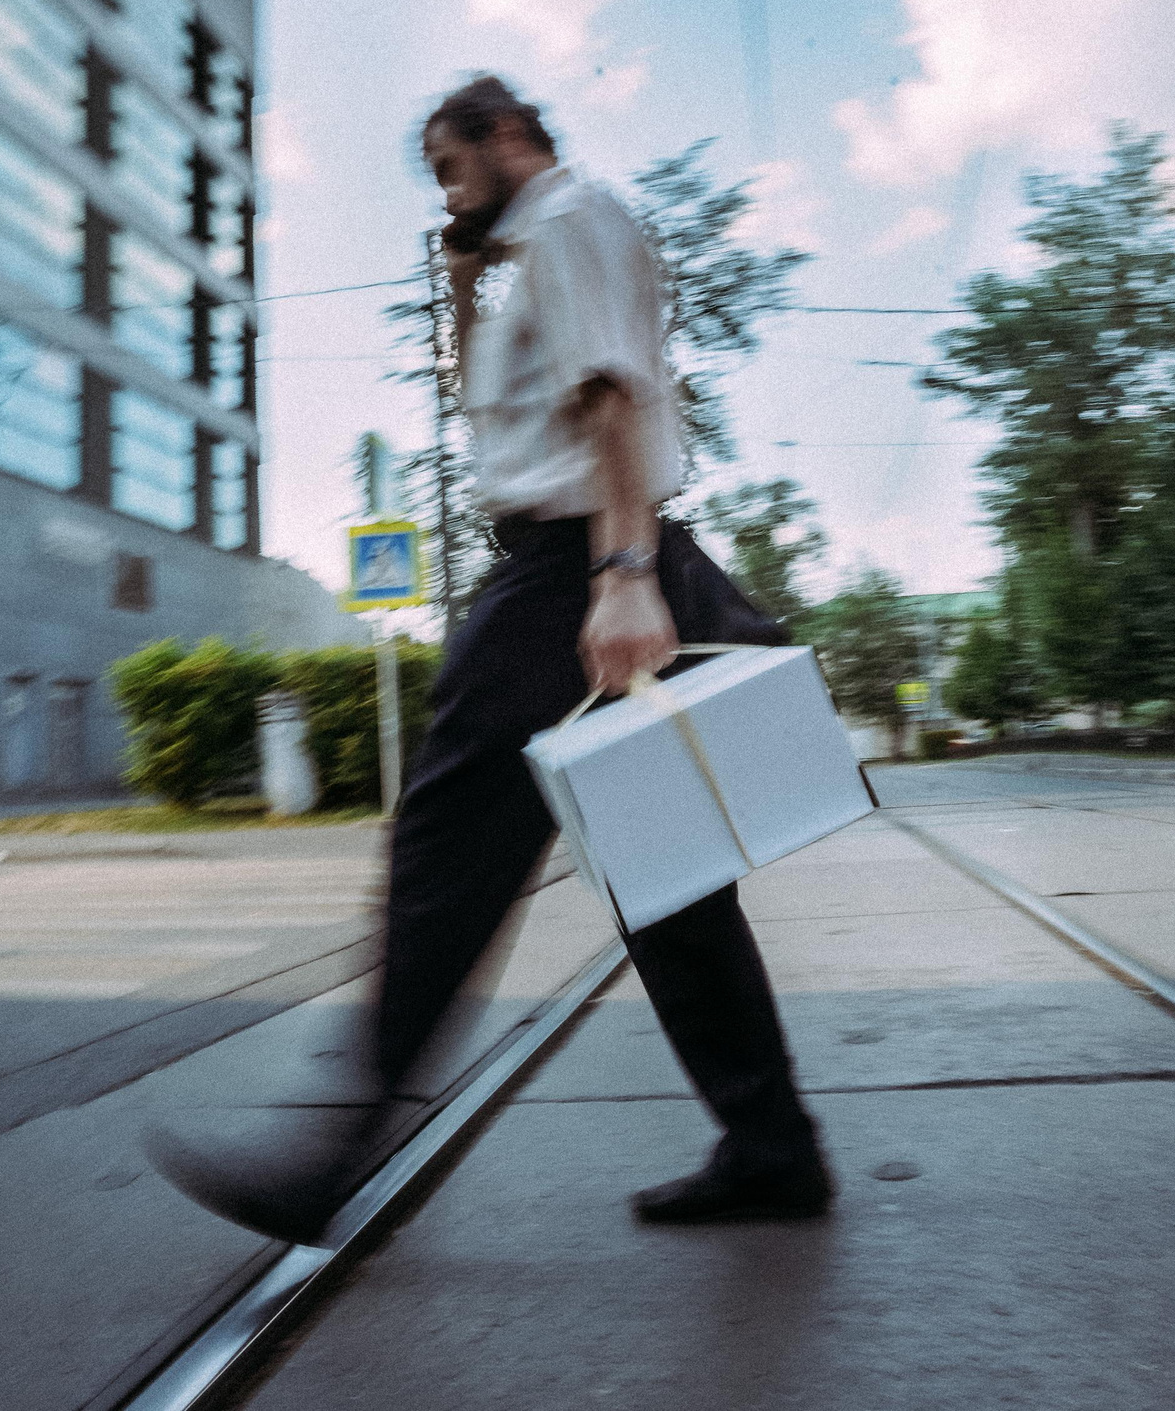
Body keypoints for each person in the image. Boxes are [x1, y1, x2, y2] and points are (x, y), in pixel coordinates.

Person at [152, 76, 830, 1241]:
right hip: (578, 557)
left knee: (443, 846)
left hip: (572, 570)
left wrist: (620, 577)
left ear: (508, 133)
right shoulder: (536, 245)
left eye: (451, 166)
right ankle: (769, 1142)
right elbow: (509, 414)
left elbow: (612, 399)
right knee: (665, 882)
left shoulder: (568, 220)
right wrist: (463, 282)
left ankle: (333, 1148)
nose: (445, 190)